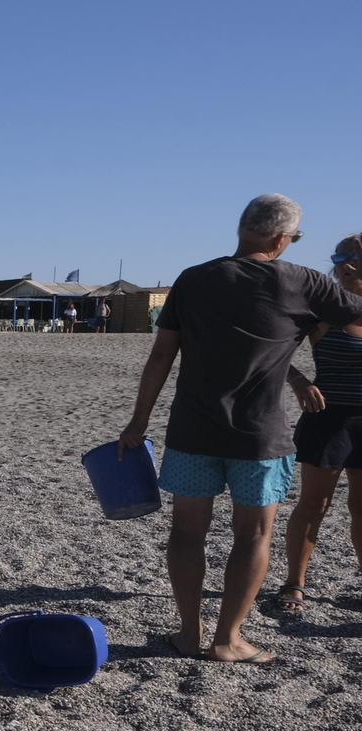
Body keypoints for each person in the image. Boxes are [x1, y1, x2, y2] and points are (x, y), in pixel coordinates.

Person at [119, 194, 362, 665]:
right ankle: (228, 639)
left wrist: (139, 420)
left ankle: (189, 634)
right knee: (252, 535)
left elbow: (161, 356)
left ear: (242, 229)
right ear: (280, 238)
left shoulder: (193, 279)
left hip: (192, 432)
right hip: (260, 438)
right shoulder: (302, 281)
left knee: (187, 532)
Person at [278, 234, 362, 612]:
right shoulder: (323, 310)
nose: (344, 264)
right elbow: (273, 350)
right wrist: (298, 382)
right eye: (339, 256)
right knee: (315, 503)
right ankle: (294, 584)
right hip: (328, 420)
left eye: (354, 257)